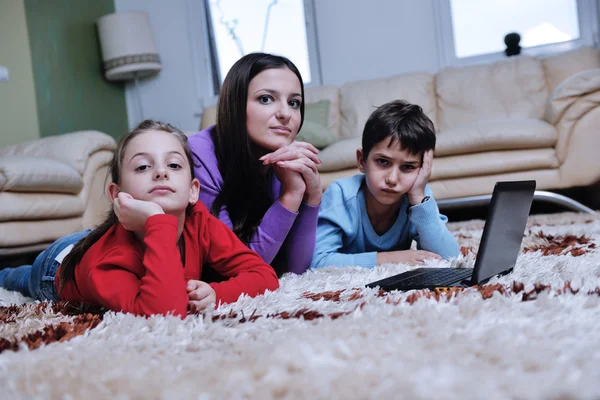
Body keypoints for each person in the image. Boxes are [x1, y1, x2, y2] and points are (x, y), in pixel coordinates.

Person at [0, 120, 279, 317]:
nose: (161, 172)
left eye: (173, 164)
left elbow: (264, 275)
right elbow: (165, 313)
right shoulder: (105, 262)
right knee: (18, 277)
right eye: (143, 166)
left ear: (194, 191)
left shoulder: (199, 221)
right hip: (57, 266)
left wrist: (218, 294)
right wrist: (157, 221)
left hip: (101, 235)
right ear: (117, 193)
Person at [188, 53, 321, 276]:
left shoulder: (287, 160)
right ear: (236, 104)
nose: (285, 114)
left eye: (294, 103)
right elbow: (240, 272)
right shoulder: (200, 155)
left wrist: (312, 196)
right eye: (266, 99)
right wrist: (290, 196)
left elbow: (295, 271)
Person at [310, 100, 459, 269]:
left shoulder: (416, 196)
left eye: (408, 167)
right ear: (362, 160)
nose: (392, 179)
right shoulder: (341, 195)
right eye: (383, 161)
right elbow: (318, 261)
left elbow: (450, 257)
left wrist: (418, 197)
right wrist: (387, 259)